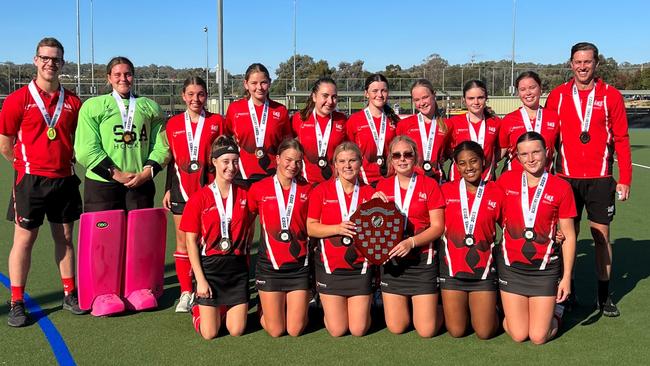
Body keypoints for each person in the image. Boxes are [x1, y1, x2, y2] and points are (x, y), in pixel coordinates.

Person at [0, 37, 85, 327]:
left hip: (64, 180)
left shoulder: (73, 101)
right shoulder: (17, 99)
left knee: (64, 238)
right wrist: (26, 167)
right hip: (30, 181)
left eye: (56, 59)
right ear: (36, 60)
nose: (50, 63)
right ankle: (16, 301)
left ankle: (69, 293)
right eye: (45, 58)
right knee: (24, 240)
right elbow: (5, 144)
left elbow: (78, 141)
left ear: (62, 63)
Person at [545, 42, 632, 317]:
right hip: (565, 179)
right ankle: (564, 292)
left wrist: (625, 178)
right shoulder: (558, 96)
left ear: (596, 64)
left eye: (588, 62)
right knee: (563, 236)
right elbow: (549, 138)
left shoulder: (611, 96)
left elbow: (621, 138)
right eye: (577, 62)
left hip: (601, 179)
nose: (582, 67)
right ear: (571, 64)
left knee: (601, 237)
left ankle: (603, 297)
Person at [496, 132, 576, 344]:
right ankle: (513, 310)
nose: (530, 159)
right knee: (519, 335)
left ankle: (558, 310)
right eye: (524, 154)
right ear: (517, 157)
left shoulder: (561, 187)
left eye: (535, 152)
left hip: (544, 270)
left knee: (539, 337)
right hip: (511, 268)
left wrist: (566, 277)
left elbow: (568, 234)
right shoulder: (505, 181)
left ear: (547, 152)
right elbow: (493, 216)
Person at [179, 136, 253, 339]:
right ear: (214, 162)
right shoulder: (199, 198)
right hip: (210, 268)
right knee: (210, 333)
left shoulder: (246, 194)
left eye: (235, 161)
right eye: (226, 161)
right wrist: (200, 280)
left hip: (237, 269)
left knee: (236, 330)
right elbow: (191, 242)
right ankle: (198, 305)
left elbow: (252, 225)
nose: (231, 167)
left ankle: (220, 308)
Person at [75, 56, 169, 212]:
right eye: (117, 75)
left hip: (139, 183)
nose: (123, 79)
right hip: (102, 185)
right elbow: (86, 148)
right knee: (105, 236)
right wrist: (115, 173)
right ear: (109, 78)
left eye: (128, 74)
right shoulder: (93, 106)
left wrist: (145, 174)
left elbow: (161, 146)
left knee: (139, 236)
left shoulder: (150, 107)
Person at [374, 136, 445, 337]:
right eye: (397, 155)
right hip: (393, 262)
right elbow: (373, 226)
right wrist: (371, 206)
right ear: (391, 159)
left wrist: (411, 242)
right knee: (397, 328)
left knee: (426, 330)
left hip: (422, 261)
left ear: (415, 158)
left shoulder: (429, 184)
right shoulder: (382, 186)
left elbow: (438, 227)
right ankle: (419, 309)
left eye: (408, 154)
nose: (402, 159)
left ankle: (441, 309)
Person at [163, 76, 224, 312]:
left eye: (200, 94)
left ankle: (205, 285)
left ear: (206, 96)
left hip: (209, 190)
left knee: (208, 240)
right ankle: (185, 292)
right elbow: (171, 160)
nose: (195, 99)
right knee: (182, 242)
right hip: (181, 189)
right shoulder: (173, 124)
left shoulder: (218, 121)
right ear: (183, 96)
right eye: (190, 94)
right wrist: (168, 187)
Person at [306, 142, 376, 337]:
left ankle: (367, 301)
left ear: (360, 163)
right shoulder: (321, 190)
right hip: (331, 267)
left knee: (358, 329)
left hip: (361, 267)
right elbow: (311, 228)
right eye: (342, 161)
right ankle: (324, 301)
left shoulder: (371, 193)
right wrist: (337, 228)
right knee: (337, 330)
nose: (347, 165)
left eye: (352, 160)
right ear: (334, 165)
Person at [249, 138, 312, 337]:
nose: (293, 166)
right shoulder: (259, 188)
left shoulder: (308, 189)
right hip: (270, 267)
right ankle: (265, 307)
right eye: (288, 159)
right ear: (277, 159)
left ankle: (290, 306)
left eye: (298, 161)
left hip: (299, 267)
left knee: (295, 330)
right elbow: (247, 220)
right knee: (275, 331)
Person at [439, 141, 502, 339]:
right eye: (462, 163)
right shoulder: (445, 191)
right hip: (452, 270)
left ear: (483, 162)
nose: (469, 168)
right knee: (457, 331)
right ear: (456, 167)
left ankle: (498, 307)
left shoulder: (496, 191)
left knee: (484, 332)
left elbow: (514, 223)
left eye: (474, 161)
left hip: (483, 271)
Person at [224, 63, 291, 186]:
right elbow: (226, 137)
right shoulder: (235, 108)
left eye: (263, 82)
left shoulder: (280, 110)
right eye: (254, 83)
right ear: (246, 84)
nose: (259, 87)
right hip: (241, 176)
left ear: (269, 83)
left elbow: (287, 144)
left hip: (273, 175)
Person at [499, 71, 559, 173]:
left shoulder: (554, 117)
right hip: (515, 180)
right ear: (518, 93)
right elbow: (501, 152)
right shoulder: (508, 120)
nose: (528, 93)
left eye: (532, 87)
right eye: (522, 89)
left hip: (544, 180)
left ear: (540, 89)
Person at [346, 74, 399, 186]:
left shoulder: (395, 120)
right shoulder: (354, 120)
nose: (379, 95)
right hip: (362, 183)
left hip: (391, 182)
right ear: (366, 93)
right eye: (375, 91)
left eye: (383, 90)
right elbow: (348, 153)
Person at [292, 77, 347, 185]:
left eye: (334, 97)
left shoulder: (342, 120)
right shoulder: (299, 119)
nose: (330, 101)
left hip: (335, 184)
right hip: (305, 184)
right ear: (314, 97)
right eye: (325, 96)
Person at [396, 79, 449, 183]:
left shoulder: (447, 125)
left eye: (425, 97)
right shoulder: (404, 125)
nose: (422, 103)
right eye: (417, 100)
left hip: (437, 181)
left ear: (434, 95)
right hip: (411, 182)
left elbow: (448, 153)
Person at [447, 80, 500, 181]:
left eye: (480, 98)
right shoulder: (453, 122)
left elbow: (501, 149)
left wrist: (488, 161)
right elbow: (448, 150)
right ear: (464, 100)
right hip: (459, 180)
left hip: (486, 179)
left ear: (486, 98)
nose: (476, 102)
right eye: (471, 98)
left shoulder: (496, 122)